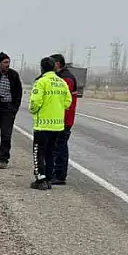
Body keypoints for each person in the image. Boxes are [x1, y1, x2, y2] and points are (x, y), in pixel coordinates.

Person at [29, 57, 73, 190]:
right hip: (57, 125)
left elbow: (35, 102)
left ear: (42, 68)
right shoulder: (61, 82)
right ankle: (48, 178)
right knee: (51, 153)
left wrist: (34, 110)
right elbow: (68, 102)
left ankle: (40, 179)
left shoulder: (41, 82)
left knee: (39, 152)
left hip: (42, 124)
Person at [49, 53, 80, 185]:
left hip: (64, 118)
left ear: (57, 64)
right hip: (60, 117)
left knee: (60, 146)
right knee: (58, 145)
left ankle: (60, 175)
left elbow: (62, 99)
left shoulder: (67, 79)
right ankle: (57, 173)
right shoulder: (61, 77)